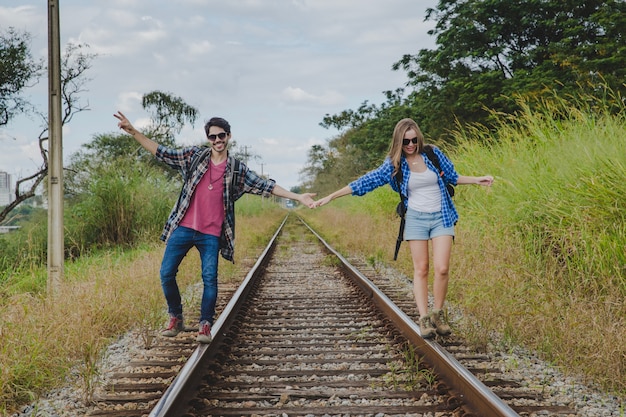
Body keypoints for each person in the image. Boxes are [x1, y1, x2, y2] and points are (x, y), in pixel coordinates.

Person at [114, 111, 316, 343]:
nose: (217, 141)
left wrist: (298, 197)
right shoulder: (194, 157)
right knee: (166, 273)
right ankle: (175, 317)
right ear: (208, 139)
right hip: (184, 227)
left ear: (229, 136)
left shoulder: (236, 170)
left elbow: (266, 186)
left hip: (211, 233)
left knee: (210, 278)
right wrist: (133, 132)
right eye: (213, 137)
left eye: (221, 136)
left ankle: (205, 324)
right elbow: (161, 152)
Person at [315, 118, 493, 339]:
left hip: (442, 217)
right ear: (399, 141)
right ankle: (424, 318)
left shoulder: (433, 154)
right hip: (416, 219)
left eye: (414, 140)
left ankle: (438, 313)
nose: (410, 145)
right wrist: (331, 196)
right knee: (422, 269)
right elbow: (364, 182)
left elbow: (453, 177)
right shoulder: (394, 164)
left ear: (419, 138)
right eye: (406, 141)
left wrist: (477, 180)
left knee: (443, 268)